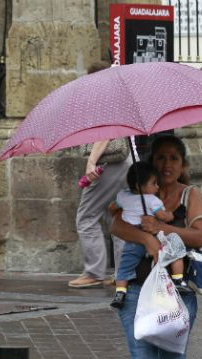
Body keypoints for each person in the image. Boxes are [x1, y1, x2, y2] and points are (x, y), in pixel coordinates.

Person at [110, 134, 202, 359]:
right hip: (137, 288)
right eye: (161, 158)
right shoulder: (136, 194)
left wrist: (163, 230)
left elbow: (198, 235)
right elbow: (116, 226)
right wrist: (145, 238)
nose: (167, 165)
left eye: (173, 159)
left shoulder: (190, 195)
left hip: (178, 290)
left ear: (183, 165)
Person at [68, 61, 133, 288]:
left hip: (109, 165)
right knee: (116, 216)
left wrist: (91, 161)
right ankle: (123, 272)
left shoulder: (101, 99)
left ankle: (94, 272)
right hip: (125, 163)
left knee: (86, 217)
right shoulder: (117, 96)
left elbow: (106, 132)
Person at [109, 162, 190, 309]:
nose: (157, 187)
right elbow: (162, 216)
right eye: (154, 183)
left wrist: (123, 208)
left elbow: (112, 207)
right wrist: (171, 215)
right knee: (173, 253)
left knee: (124, 268)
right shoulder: (152, 200)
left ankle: (120, 293)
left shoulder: (123, 195)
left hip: (132, 239)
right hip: (151, 235)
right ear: (140, 185)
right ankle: (178, 280)